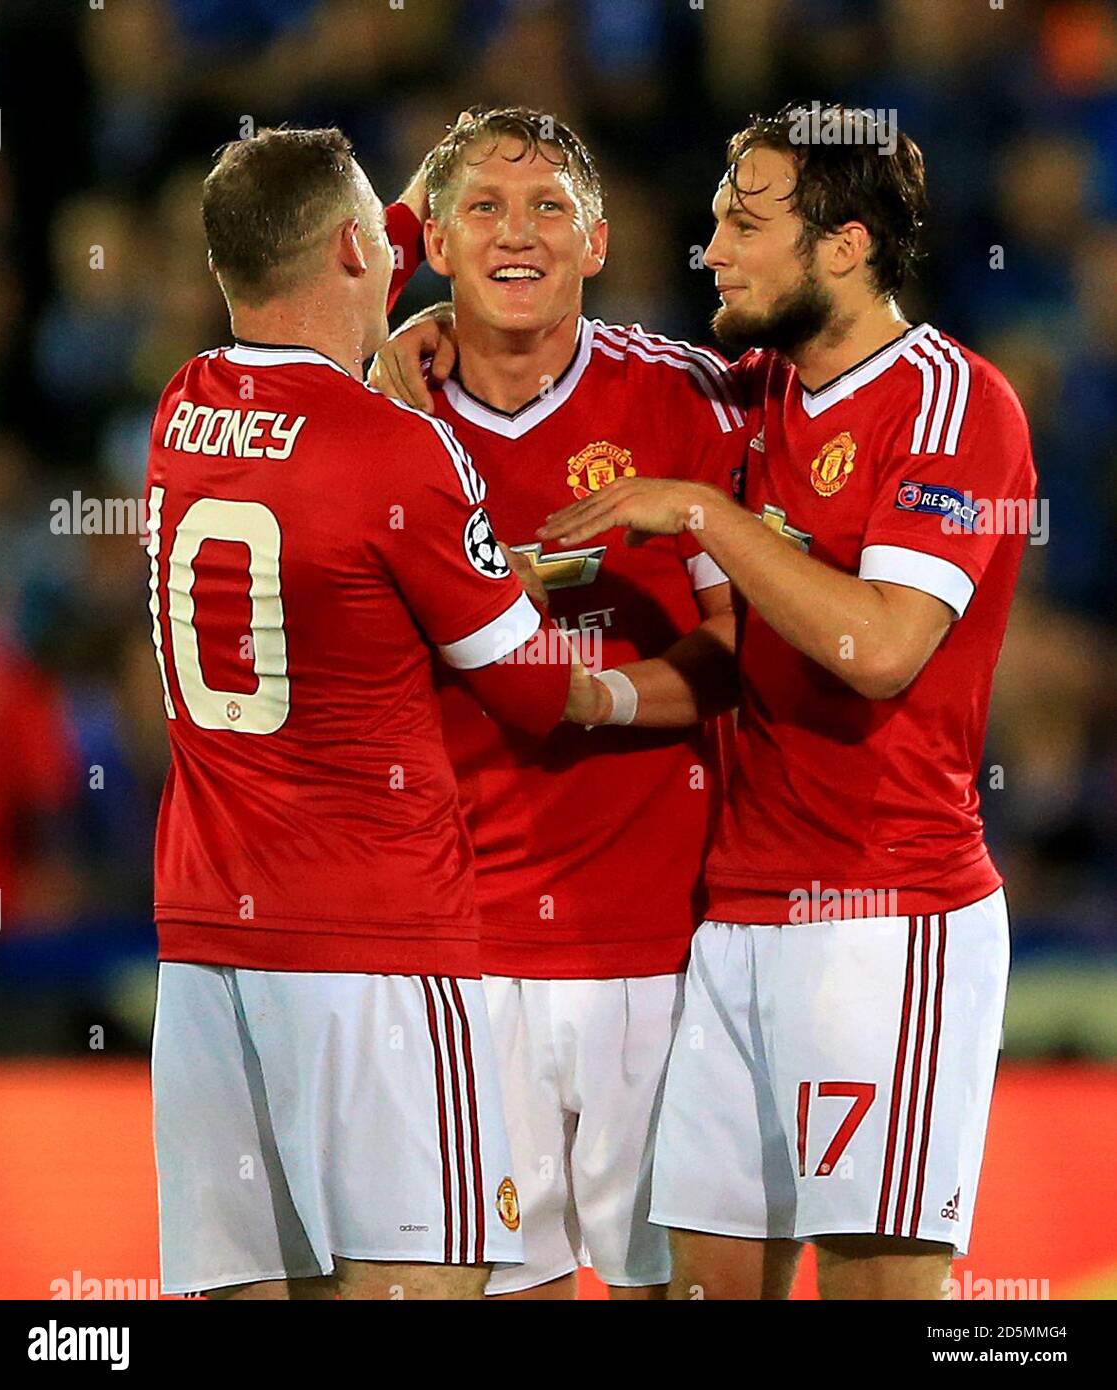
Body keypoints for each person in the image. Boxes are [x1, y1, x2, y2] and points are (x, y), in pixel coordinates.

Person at [539, 105, 1036, 1299]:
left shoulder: (953, 406)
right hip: (730, 921)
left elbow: (876, 648)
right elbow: (575, 359)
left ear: (844, 247)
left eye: (744, 221)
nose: (711, 248)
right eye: (714, 216)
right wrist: (426, 329)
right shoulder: (740, 394)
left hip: (887, 914)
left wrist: (705, 515)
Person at [144, 126, 599, 1301]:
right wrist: (529, 599)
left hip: (207, 951)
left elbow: (307, 251)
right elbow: (534, 689)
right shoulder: (397, 452)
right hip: (373, 954)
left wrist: (424, 187)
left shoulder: (179, 416)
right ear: (357, 247)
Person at [369, 107, 739, 1299]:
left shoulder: (691, 400)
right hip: (457, 948)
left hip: (656, 941)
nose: (514, 234)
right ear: (429, 240)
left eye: (547, 210)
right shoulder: (378, 422)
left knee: (662, 1286)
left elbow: (742, 649)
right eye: (482, 207)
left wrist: (580, 693)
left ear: (599, 242)